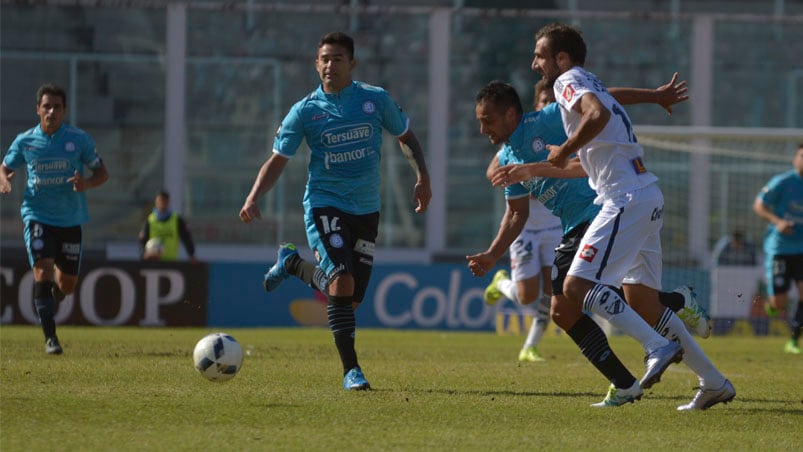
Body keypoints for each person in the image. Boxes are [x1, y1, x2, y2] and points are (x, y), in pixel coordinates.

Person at [530, 22, 735, 409]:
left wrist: (563, 151)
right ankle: (713, 381)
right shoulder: (586, 79)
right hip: (645, 196)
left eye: (540, 56)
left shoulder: (565, 80)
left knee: (576, 287)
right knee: (642, 301)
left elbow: (597, 114)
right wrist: (654, 96)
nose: (534, 64)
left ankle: (656, 345)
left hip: (624, 199)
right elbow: (606, 100)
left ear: (561, 58)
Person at [239, 32, 431, 390]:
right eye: (324, 59)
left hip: (367, 209)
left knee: (350, 299)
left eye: (338, 59)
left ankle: (291, 264)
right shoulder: (305, 111)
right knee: (342, 282)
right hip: (325, 204)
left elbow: (406, 137)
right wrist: (253, 197)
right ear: (316, 64)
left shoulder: (375, 100)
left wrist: (423, 177)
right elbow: (278, 160)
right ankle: (351, 372)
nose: (330, 65)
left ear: (352, 64)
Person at [0, 83, 110, 355]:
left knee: (67, 285)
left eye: (56, 107)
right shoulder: (25, 141)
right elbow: (4, 167)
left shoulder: (78, 139)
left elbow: (102, 173)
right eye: (46, 106)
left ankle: (55, 296)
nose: (51, 111)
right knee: (42, 271)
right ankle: (51, 338)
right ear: (38, 109)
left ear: (64, 111)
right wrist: (3, 180)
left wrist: (86, 184)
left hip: (70, 219)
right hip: (37, 215)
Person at [483, 80, 565, 363]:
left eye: (553, 101)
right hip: (526, 227)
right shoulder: (522, 141)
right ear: (536, 105)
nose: (548, 106)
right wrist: (519, 177)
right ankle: (502, 283)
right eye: (544, 101)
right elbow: (493, 171)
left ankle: (531, 345)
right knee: (526, 295)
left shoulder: (561, 136)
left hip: (554, 223)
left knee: (553, 288)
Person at [752, 143, 803, 354]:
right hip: (780, 249)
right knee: (779, 302)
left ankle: (793, 340)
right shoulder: (783, 182)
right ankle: (772, 306)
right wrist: (778, 222)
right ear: (795, 158)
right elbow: (759, 205)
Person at [138, 190, 199, 263]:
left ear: (168, 202)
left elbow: (186, 238)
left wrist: (191, 255)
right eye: (160, 201)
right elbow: (142, 241)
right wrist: (144, 255)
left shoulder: (176, 220)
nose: (162, 203)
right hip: (154, 262)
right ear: (156, 202)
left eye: (164, 201)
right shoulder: (150, 221)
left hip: (171, 262)